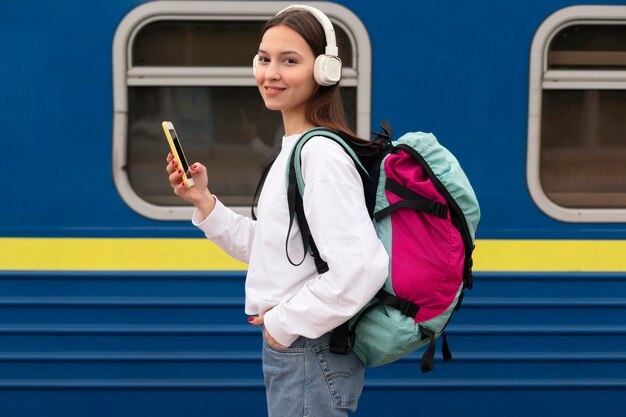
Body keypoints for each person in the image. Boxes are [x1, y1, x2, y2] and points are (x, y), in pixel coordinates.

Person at [165, 5, 388, 416]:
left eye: (289, 61)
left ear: (324, 71)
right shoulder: (296, 148)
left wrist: (282, 326)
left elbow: (361, 268)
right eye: (264, 59)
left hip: (310, 351)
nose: (270, 73)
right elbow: (277, 250)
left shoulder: (319, 155)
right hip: (304, 349)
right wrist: (204, 202)